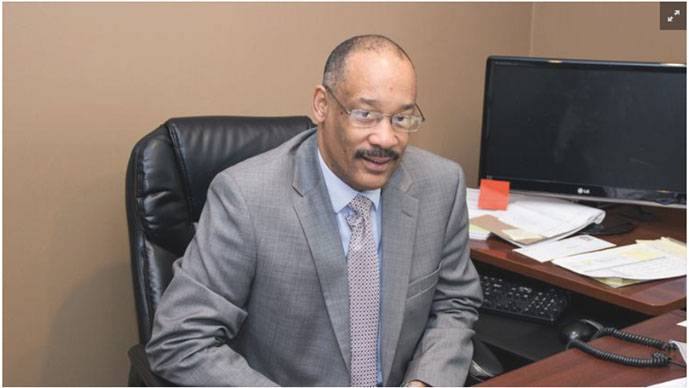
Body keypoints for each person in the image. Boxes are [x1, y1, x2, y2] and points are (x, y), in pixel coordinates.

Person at [146, 34, 482, 387]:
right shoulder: (246, 198)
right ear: (322, 105)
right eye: (365, 114)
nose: (386, 138)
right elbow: (180, 342)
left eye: (402, 119)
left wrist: (425, 383)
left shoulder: (441, 185)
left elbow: (454, 306)